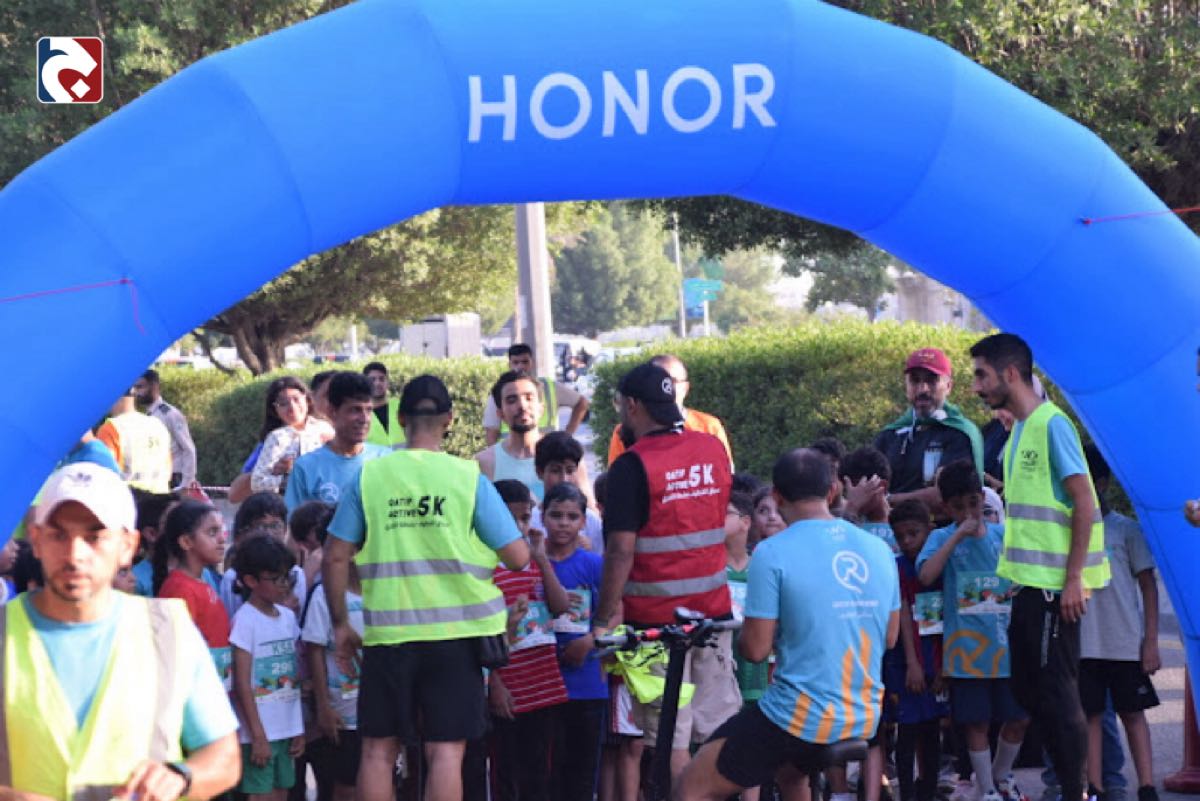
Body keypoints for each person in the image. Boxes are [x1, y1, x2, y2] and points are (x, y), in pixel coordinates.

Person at [322, 374, 531, 801]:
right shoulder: (467, 477)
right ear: (449, 419)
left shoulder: (370, 477)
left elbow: (334, 556)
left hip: (387, 636)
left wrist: (341, 624)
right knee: (446, 753)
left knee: (377, 750)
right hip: (457, 638)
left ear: (400, 420)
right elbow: (517, 557)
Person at [3, 461, 239, 801]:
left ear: (128, 545)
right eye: (59, 535)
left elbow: (224, 756)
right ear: (36, 540)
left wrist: (181, 777)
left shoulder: (169, 632)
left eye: (95, 537)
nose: (75, 554)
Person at [674, 448, 900, 801]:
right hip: (864, 715)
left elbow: (755, 650)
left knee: (690, 788)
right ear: (833, 491)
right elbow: (889, 637)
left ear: (777, 497)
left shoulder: (772, 552)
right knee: (791, 775)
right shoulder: (879, 549)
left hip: (799, 717)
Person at [970, 333, 1109, 801]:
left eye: (981, 375)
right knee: (1029, 692)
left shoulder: (1053, 424)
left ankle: (1078, 792)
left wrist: (1073, 579)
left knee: (1057, 693)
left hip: (1055, 588)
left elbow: (1084, 501)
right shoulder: (1019, 431)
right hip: (1028, 586)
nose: (976, 386)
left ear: (1010, 373)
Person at [594, 362, 738, 783]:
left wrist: (604, 618)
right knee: (717, 730)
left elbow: (621, 550)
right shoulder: (712, 449)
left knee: (671, 736)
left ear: (633, 405)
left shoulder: (630, 466)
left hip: (655, 630)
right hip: (713, 618)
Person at [917, 460, 1029, 801]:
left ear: (982, 497)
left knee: (1019, 718)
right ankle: (987, 790)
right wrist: (956, 536)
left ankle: (1000, 776)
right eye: (958, 506)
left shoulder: (1002, 536)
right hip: (967, 653)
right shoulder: (941, 538)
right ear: (945, 507)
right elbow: (926, 575)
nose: (968, 512)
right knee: (976, 723)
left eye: (973, 503)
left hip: (1007, 648)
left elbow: (1023, 577)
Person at [1079, 445, 1161, 801]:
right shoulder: (1071, 530)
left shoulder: (1126, 530)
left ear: (1102, 483)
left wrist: (1150, 641)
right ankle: (1094, 787)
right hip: (1084, 643)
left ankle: (1147, 786)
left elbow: (1148, 586)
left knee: (1133, 713)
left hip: (1125, 642)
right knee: (1091, 716)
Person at [489, 479, 571, 801]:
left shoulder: (535, 562)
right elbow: (482, 635)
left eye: (525, 518)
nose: (520, 526)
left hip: (543, 685)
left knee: (539, 772)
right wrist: (495, 684)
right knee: (506, 773)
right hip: (509, 688)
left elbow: (560, 606)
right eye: (511, 519)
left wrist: (542, 559)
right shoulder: (484, 570)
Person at [543, 482, 609, 801]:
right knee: (545, 775)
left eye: (572, 517)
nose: (564, 523)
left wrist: (590, 641)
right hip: (541, 684)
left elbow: (616, 613)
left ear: (584, 521)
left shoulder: (594, 565)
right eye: (556, 515)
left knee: (581, 775)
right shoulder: (530, 563)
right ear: (542, 516)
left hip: (587, 683)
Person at [230, 536, 305, 801]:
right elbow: (241, 684)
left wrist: (297, 727)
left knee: (281, 792)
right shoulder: (245, 621)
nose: (284, 584)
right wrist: (258, 735)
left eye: (287, 577)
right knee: (262, 795)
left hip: (286, 729)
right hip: (258, 733)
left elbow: (294, 675)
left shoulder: (287, 618)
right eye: (276, 578)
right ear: (251, 581)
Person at [873, 348, 984, 515]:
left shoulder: (959, 434)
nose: (922, 389)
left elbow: (946, 496)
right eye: (914, 381)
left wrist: (887, 500)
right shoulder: (890, 435)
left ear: (948, 386)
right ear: (906, 385)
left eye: (932, 381)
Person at [885, 499, 946, 801]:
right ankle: (907, 794)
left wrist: (945, 665)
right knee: (907, 729)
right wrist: (912, 663)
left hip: (937, 657)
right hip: (907, 662)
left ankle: (928, 791)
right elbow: (904, 613)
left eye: (914, 533)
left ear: (930, 530)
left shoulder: (941, 564)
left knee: (932, 730)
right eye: (900, 536)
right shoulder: (897, 568)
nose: (907, 542)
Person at [300, 509, 362, 801]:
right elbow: (314, 651)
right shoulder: (324, 595)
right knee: (346, 785)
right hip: (343, 713)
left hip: (379, 707)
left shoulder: (382, 590)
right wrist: (323, 706)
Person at [154, 499, 233, 693]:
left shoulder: (201, 582)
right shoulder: (179, 589)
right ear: (186, 542)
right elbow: (175, 652)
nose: (221, 539)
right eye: (212, 532)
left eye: (221, 531)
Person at [285, 371, 391, 514]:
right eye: (355, 410)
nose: (364, 419)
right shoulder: (306, 468)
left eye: (368, 410)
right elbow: (293, 524)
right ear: (332, 411)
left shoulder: (386, 459)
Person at [606, 354, 732, 467]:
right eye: (657, 381)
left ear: (686, 388)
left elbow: (725, 471)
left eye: (672, 381)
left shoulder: (709, 426)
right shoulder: (626, 431)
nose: (665, 388)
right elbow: (617, 476)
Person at [483, 344, 590, 445]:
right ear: (509, 364)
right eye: (516, 362)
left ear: (532, 363)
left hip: (548, 452)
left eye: (525, 362)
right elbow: (491, 432)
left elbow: (582, 403)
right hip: (512, 454)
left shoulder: (549, 387)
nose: (520, 366)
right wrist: (496, 456)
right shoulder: (501, 391)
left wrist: (567, 436)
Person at [251, 376, 335, 494]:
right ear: (275, 410)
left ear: (307, 399)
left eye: (296, 399)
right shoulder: (277, 438)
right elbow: (257, 483)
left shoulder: (324, 428)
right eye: (283, 403)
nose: (292, 407)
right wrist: (289, 479)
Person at [476, 370, 547, 501]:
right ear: (500, 414)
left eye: (529, 398)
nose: (522, 406)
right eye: (511, 400)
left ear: (541, 408)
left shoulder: (562, 456)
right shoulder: (484, 462)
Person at [532, 431, 604, 552]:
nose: (564, 479)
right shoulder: (530, 521)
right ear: (540, 472)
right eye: (555, 471)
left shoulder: (591, 521)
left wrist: (588, 551)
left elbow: (601, 557)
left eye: (570, 471)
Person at [97, 388, 174, 493]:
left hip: (128, 500)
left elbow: (104, 476)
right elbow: (168, 471)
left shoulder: (111, 428)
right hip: (162, 499)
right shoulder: (158, 425)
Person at [135, 368, 199, 487]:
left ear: (154, 386)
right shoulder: (149, 415)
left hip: (174, 477)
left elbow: (188, 449)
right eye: (136, 388)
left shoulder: (169, 414)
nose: (137, 392)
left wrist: (187, 483)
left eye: (140, 387)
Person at [363, 362, 406, 450]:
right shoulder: (361, 413)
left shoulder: (401, 406)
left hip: (404, 458)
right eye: (372, 380)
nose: (377, 383)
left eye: (382, 379)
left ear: (387, 382)